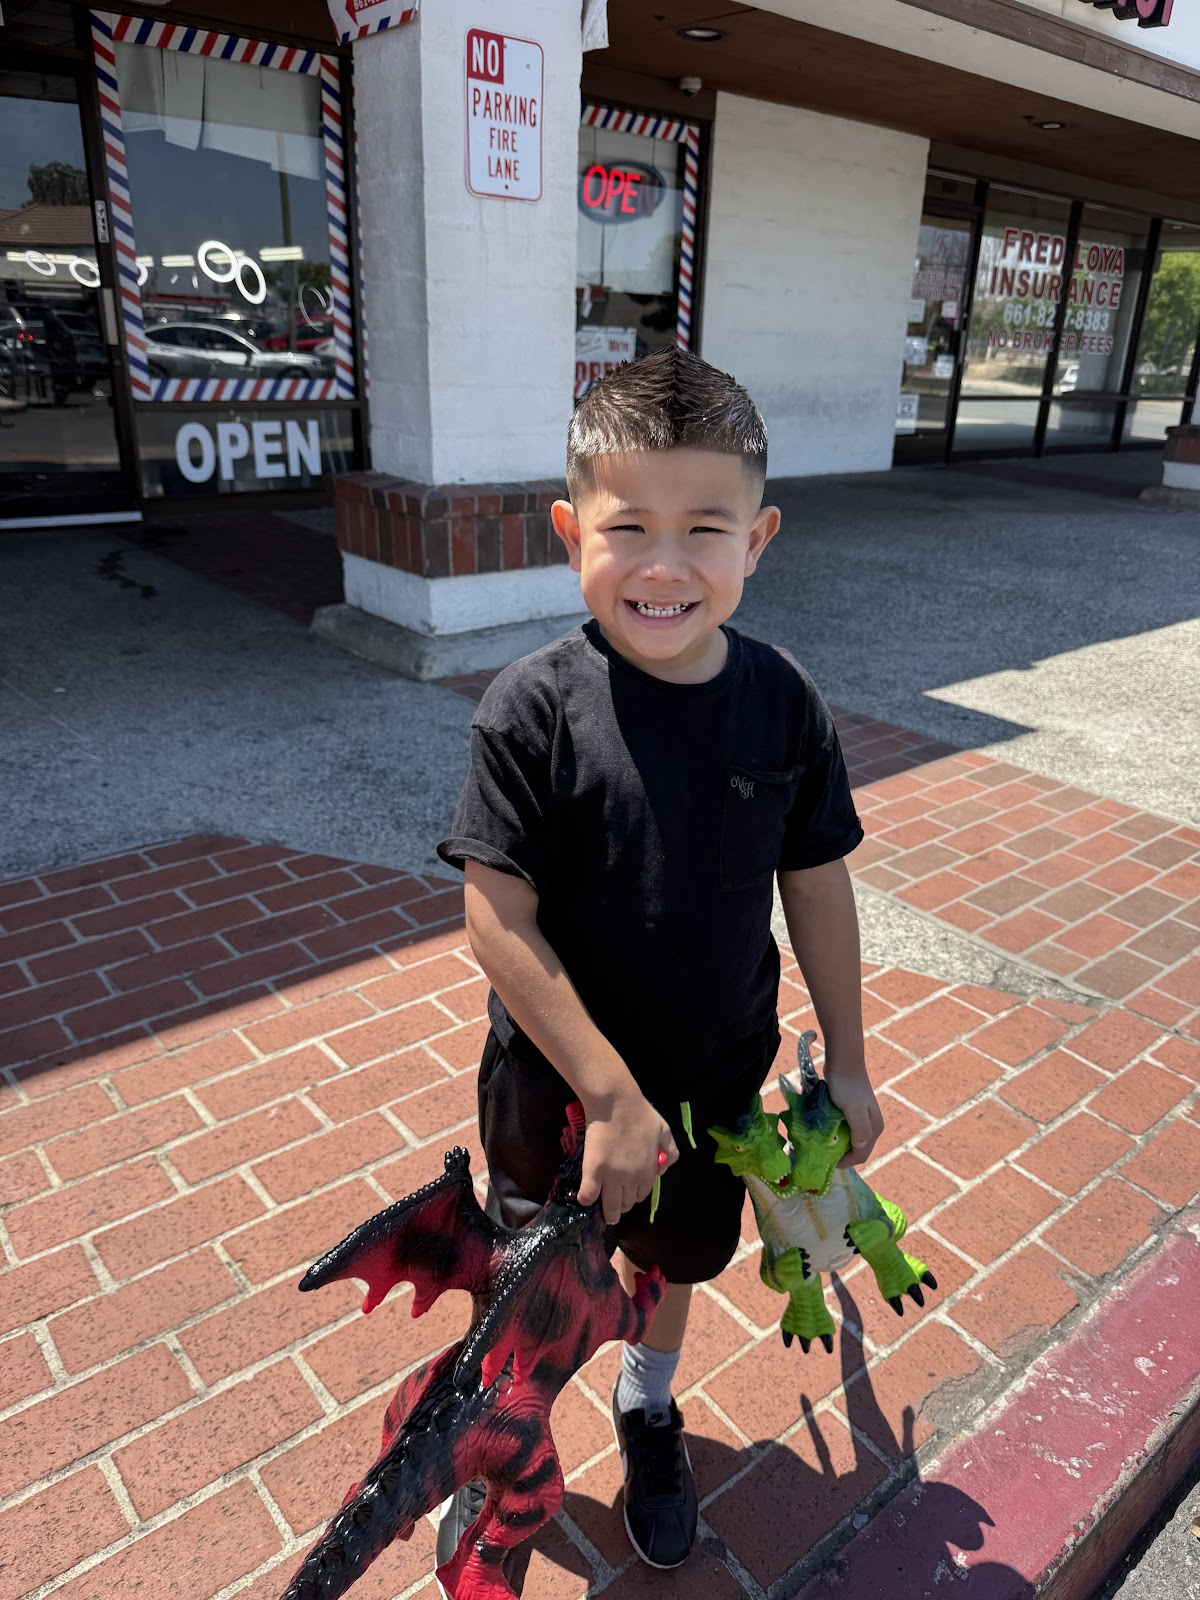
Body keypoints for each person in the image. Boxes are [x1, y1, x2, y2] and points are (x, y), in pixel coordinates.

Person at [435, 347, 882, 1576]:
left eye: (706, 527)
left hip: (712, 1078)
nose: (666, 565)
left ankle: (648, 1403)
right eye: (629, 526)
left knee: (673, 1260)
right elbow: (495, 917)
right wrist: (608, 1094)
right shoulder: (528, 708)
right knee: (527, 1274)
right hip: (556, 1088)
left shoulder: (783, 702)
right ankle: (494, 1440)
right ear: (572, 527)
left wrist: (849, 1060)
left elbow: (819, 881)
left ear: (760, 537)